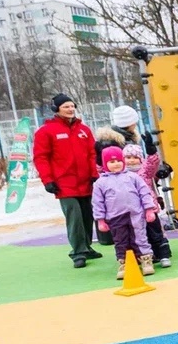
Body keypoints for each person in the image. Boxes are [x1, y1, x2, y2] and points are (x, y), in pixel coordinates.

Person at [32, 93, 103, 269]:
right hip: (64, 183)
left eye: (72, 106)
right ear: (56, 109)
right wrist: (47, 180)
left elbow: (92, 153)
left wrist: (94, 173)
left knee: (87, 215)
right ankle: (78, 252)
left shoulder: (84, 130)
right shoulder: (46, 131)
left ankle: (86, 246)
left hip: (85, 181)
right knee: (75, 217)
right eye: (66, 107)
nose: (70, 109)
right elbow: (40, 157)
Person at [94, 105, 167, 245]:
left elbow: (142, 165)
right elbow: (107, 168)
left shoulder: (130, 138)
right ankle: (140, 248)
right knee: (134, 223)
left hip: (138, 184)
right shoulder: (114, 142)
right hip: (125, 191)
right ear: (130, 122)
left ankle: (151, 247)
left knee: (146, 220)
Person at [93, 146, 159, 279]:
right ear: (105, 164)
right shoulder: (101, 182)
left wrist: (149, 209)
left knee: (140, 237)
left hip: (136, 214)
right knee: (120, 240)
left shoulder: (133, 177)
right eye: (111, 162)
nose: (116, 164)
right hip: (115, 217)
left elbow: (144, 193)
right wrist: (100, 220)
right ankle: (124, 263)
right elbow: (97, 202)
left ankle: (146, 260)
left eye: (118, 161)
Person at [123, 143, 173, 267]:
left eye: (135, 157)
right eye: (128, 158)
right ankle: (144, 256)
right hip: (132, 211)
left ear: (140, 159)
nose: (131, 161)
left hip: (149, 208)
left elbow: (152, 164)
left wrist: (152, 152)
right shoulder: (121, 174)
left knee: (155, 233)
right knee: (139, 235)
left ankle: (163, 255)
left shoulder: (144, 171)